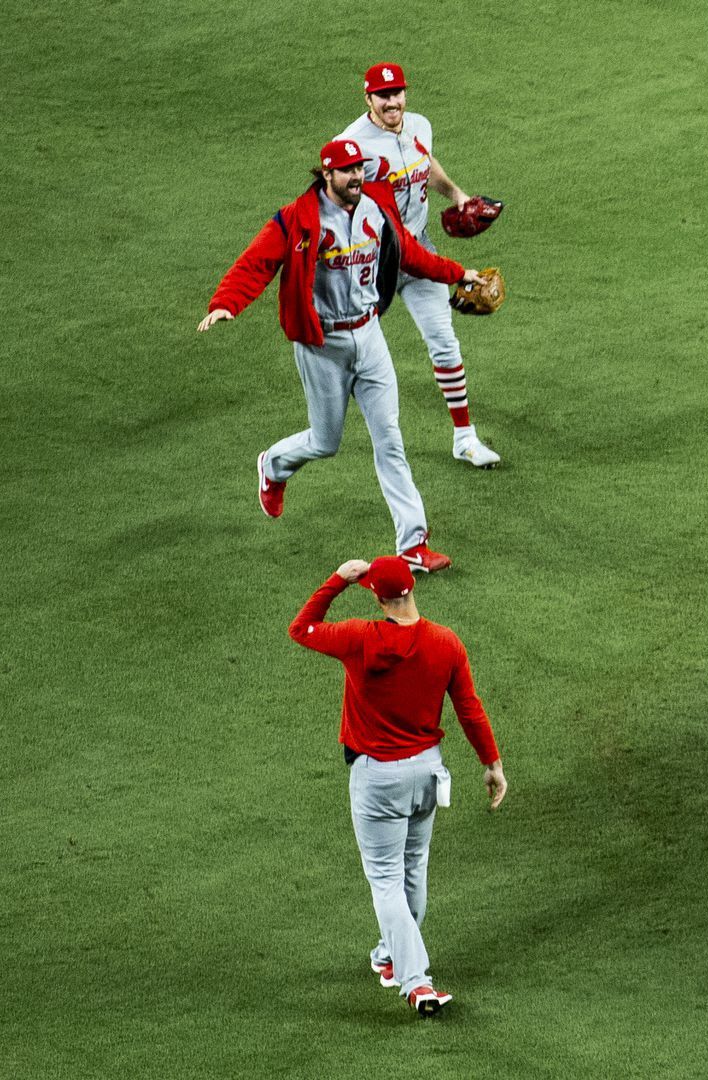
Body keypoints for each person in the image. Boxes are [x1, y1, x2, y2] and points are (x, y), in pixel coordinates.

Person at [202, 138, 488, 573]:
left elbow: (410, 253)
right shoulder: (297, 220)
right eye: (347, 170)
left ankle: (413, 544)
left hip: (369, 335)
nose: (357, 176)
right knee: (325, 441)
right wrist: (226, 302)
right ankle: (274, 465)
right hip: (323, 346)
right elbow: (256, 263)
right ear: (327, 174)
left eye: (359, 168)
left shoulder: (376, 204)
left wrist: (458, 273)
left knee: (390, 439)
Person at [288, 555, 507, 1017]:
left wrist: (336, 581)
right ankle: (390, 957)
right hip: (427, 773)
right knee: (413, 870)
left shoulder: (359, 638)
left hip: (378, 778)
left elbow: (301, 628)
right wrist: (492, 763)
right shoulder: (445, 642)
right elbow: (469, 708)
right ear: (411, 589)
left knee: (386, 881)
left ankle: (416, 982)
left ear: (378, 597)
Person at [337, 62, 502, 468]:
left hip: (420, 250)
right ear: (368, 99)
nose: (392, 102)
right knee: (353, 348)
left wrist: (456, 194)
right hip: (373, 263)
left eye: (397, 94)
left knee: (444, 342)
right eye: (383, 96)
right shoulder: (353, 145)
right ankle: (330, 417)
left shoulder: (419, 126)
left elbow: (426, 165)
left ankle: (464, 438)